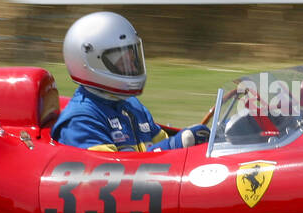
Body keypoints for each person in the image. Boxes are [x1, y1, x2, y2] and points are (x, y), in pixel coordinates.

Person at [51, 12, 209, 151]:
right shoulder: (81, 120)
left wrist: (184, 140)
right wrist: (176, 144)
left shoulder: (132, 105)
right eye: (122, 62)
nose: (132, 67)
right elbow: (108, 172)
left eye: (132, 59)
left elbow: (165, 152)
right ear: (91, 62)